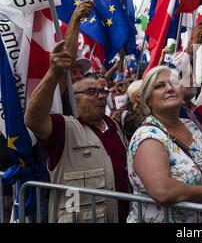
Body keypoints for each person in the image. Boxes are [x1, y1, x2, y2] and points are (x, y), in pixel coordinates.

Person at [24, 40, 129, 223]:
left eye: (103, 91)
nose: (102, 96)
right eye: (91, 91)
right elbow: (33, 119)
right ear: (74, 98)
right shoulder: (63, 128)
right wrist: (52, 75)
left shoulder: (113, 125)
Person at [127, 66, 202, 223]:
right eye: (160, 86)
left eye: (174, 83)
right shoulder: (147, 137)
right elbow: (162, 190)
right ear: (148, 100)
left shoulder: (191, 126)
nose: (169, 88)